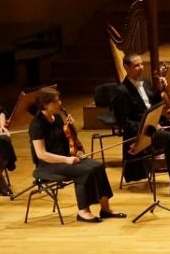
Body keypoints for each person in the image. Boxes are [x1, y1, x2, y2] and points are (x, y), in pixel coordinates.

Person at [28, 87, 124, 223]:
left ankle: (105, 208)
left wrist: (71, 130)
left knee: (98, 166)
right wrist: (67, 160)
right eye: (56, 101)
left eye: (59, 100)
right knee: (84, 171)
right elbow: (41, 154)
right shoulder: (37, 124)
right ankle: (83, 211)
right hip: (48, 165)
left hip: (65, 158)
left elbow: (66, 141)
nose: (60, 103)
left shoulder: (57, 119)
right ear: (45, 105)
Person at [112, 52, 170, 195]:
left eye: (141, 64)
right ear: (126, 67)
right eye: (136, 65)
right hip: (141, 135)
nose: (141, 67)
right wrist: (150, 126)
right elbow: (124, 123)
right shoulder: (120, 92)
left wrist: (161, 90)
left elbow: (156, 106)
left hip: (157, 127)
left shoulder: (146, 83)